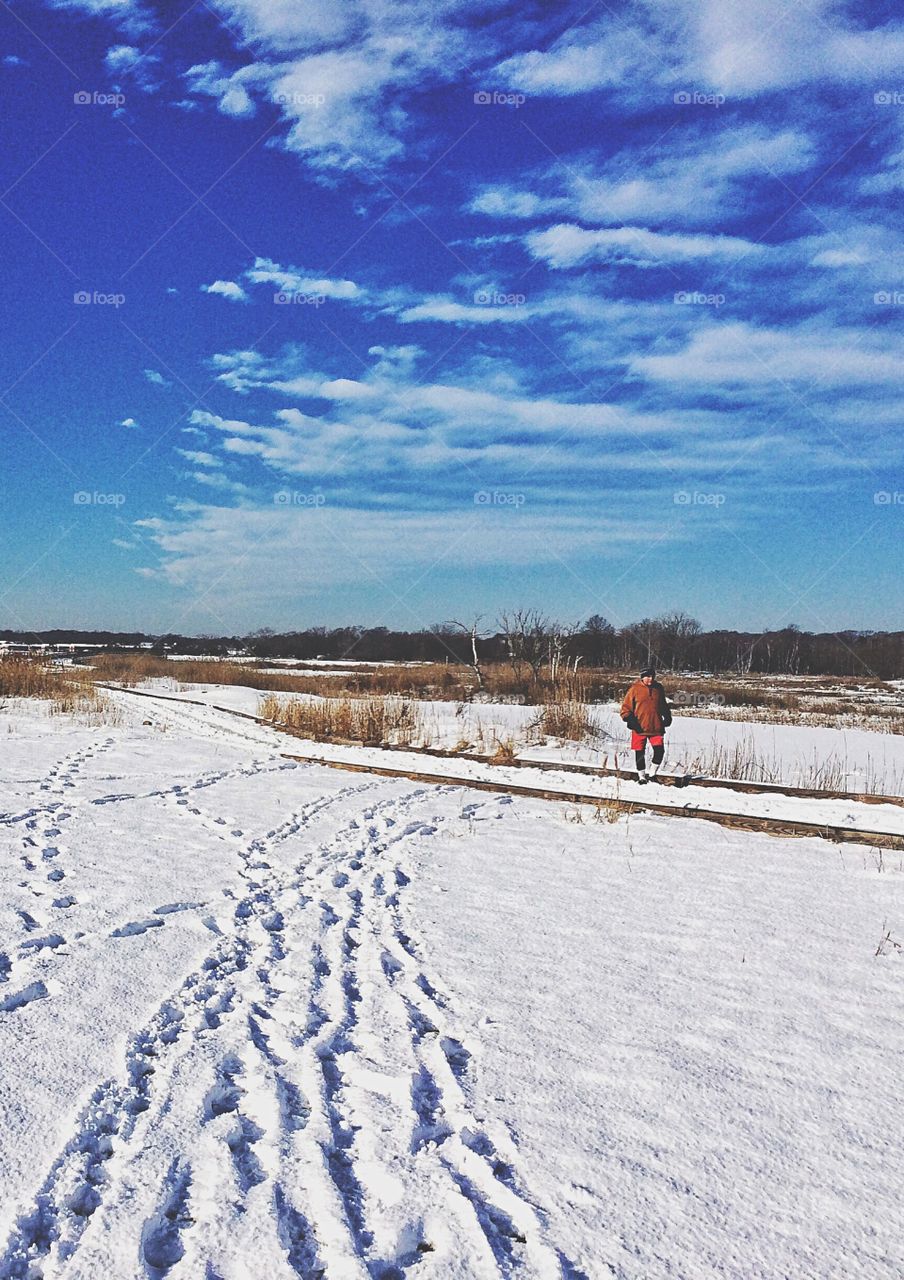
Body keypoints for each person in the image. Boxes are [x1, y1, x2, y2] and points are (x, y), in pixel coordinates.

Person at [620, 666, 672, 783]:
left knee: (659, 751)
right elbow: (625, 709)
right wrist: (631, 720)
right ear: (642, 677)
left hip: (656, 726)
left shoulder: (658, 688)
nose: (650, 679)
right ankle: (642, 777)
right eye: (648, 676)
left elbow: (663, 704)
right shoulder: (634, 689)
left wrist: (667, 716)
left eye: (652, 676)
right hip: (639, 727)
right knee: (640, 752)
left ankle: (652, 774)